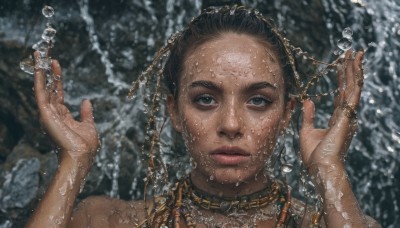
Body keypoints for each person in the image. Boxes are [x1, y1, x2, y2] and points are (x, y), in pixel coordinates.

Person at [26, 5, 380, 228]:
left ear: (287, 114)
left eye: (258, 101)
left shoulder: (336, 219)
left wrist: (329, 169)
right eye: (205, 99)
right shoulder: (102, 219)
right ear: (174, 111)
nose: (230, 125)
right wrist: (73, 162)